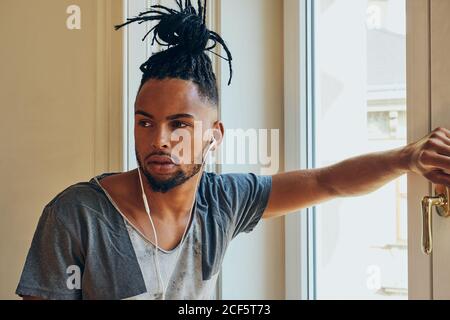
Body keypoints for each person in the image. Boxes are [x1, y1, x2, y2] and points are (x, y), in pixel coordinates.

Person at [16, 0, 450, 300]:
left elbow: (326, 181)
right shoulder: (76, 214)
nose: (160, 140)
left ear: (214, 136)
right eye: (145, 121)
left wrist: (406, 158)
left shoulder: (222, 201)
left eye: (180, 124)